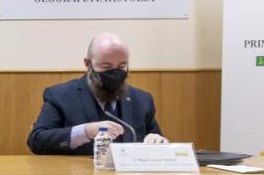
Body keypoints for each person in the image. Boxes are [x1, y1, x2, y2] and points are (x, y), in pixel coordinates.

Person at [28, 33, 168, 155]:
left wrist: (158, 142)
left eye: (121, 66)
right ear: (88, 64)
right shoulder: (60, 96)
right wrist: (85, 131)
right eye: (106, 66)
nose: (115, 73)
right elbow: (37, 141)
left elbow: (158, 143)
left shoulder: (142, 100)